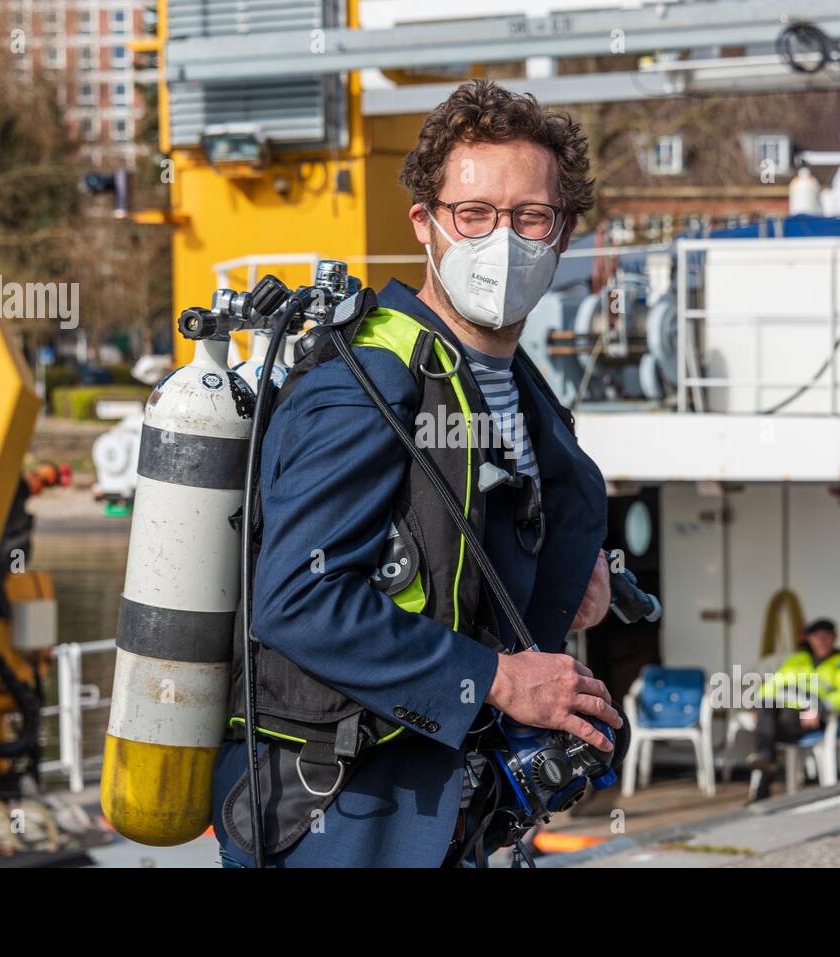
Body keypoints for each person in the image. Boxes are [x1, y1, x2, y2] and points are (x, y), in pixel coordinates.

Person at [211, 79, 620, 867]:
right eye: (474, 214)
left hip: (447, 814)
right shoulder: (368, 382)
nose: (502, 240)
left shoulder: (511, 390)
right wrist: (496, 681)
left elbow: (457, 536)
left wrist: (572, 573)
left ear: (563, 234)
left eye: (530, 216)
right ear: (426, 225)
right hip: (341, 813)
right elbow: (298, 598)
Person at [746, 618, 840, 801]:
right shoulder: (797, 659)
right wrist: (758, 703)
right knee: (766, 707)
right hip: (784, 716)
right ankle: (767, 761)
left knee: (766, 730)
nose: (821, 640)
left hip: (814, 719)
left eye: (826, 636)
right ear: (809, 639)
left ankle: (765, 775)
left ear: (834, 638)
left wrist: (819, 706)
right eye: (817, 636)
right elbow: (773, 685)